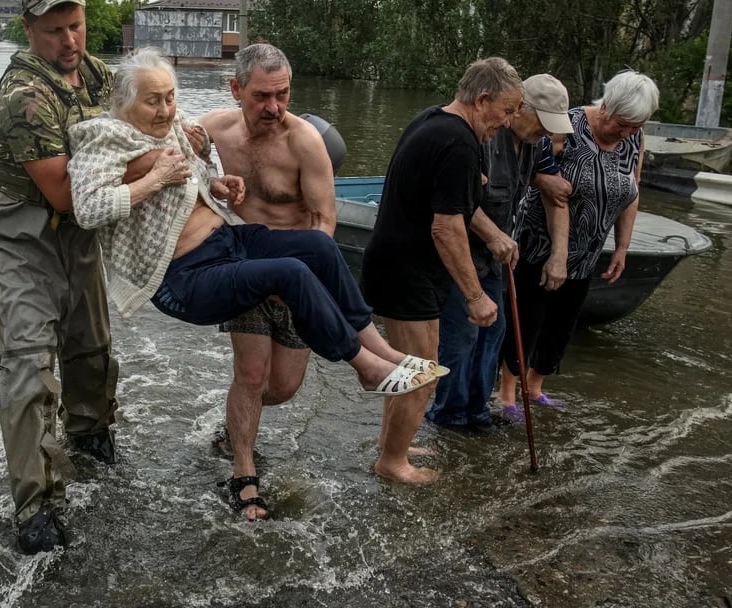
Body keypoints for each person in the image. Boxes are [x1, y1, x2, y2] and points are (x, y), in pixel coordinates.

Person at [65, 48, 440, 500]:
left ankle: (378, 351)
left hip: (236, 245)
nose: (166, 109)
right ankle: (356, 375)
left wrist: (217, 184)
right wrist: (155, 177)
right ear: (237, 90)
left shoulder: (273, 137)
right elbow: (87, 208)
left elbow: (201, 176)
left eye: (169, 97)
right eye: (153, 100)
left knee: (316, 255)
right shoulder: (106, 136)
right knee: (256, 362)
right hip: (188, 274)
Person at [0, 0, 118, 555]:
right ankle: (36, 505)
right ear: (29, 30)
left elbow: (143, 112)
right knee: (28, 366)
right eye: (54, 31)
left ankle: (91, 436)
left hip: (75, 233)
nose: (69, 40)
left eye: (75, 26)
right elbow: (67, 193)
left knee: (91, 345)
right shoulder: (22, 98)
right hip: (15, 235)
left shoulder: (95, 72)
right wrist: (155, 171)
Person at [361, 58, 522, 483]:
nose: (507, 123)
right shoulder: (460, 144)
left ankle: (389, 444)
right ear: (482, 99)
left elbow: (458, 204)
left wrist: (492, 237)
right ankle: (393, 464)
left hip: (394, 262)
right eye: (506, 111)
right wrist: (475, 295)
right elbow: (447, 226)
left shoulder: (433, 120)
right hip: (407, 270)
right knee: (422, 375)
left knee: (407, 369)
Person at [197, 43, 336, 521]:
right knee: (251, 377)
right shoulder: (215, 128)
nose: (274, 107)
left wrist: (302, 278)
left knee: (282, 387)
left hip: (295, 277)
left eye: (283, 95)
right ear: (236, 89)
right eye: (261, 96)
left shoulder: (304, 142)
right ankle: (243, 475)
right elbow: (166, 142)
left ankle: (231, 429)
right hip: (244, 268)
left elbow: (324, 221)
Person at [499, 70, 659, 416]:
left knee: (562, 322)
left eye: (637, 125)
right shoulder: (565, 125)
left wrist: (621, 247)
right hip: (540, 242)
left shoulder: (635, 139)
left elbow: (632, 192)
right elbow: (533, 168)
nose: (629, 131)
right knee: (528, 317)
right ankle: (507, 393)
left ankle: (535, 386)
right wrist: (547, 185)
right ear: (608, 107)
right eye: (625, 123)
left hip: (588, 249)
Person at [425, 74, 573, 428]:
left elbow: (555, 194)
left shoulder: (535, 144)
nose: (549, 135)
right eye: (544, 123)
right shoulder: (484, 136)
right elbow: (455, 200)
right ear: (520, 109)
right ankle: (449, 416)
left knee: (495, 332)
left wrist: (558, 254)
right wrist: (493, 235)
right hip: (464, 253)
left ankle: (477, 412)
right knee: (462, 337)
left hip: (496, 261)